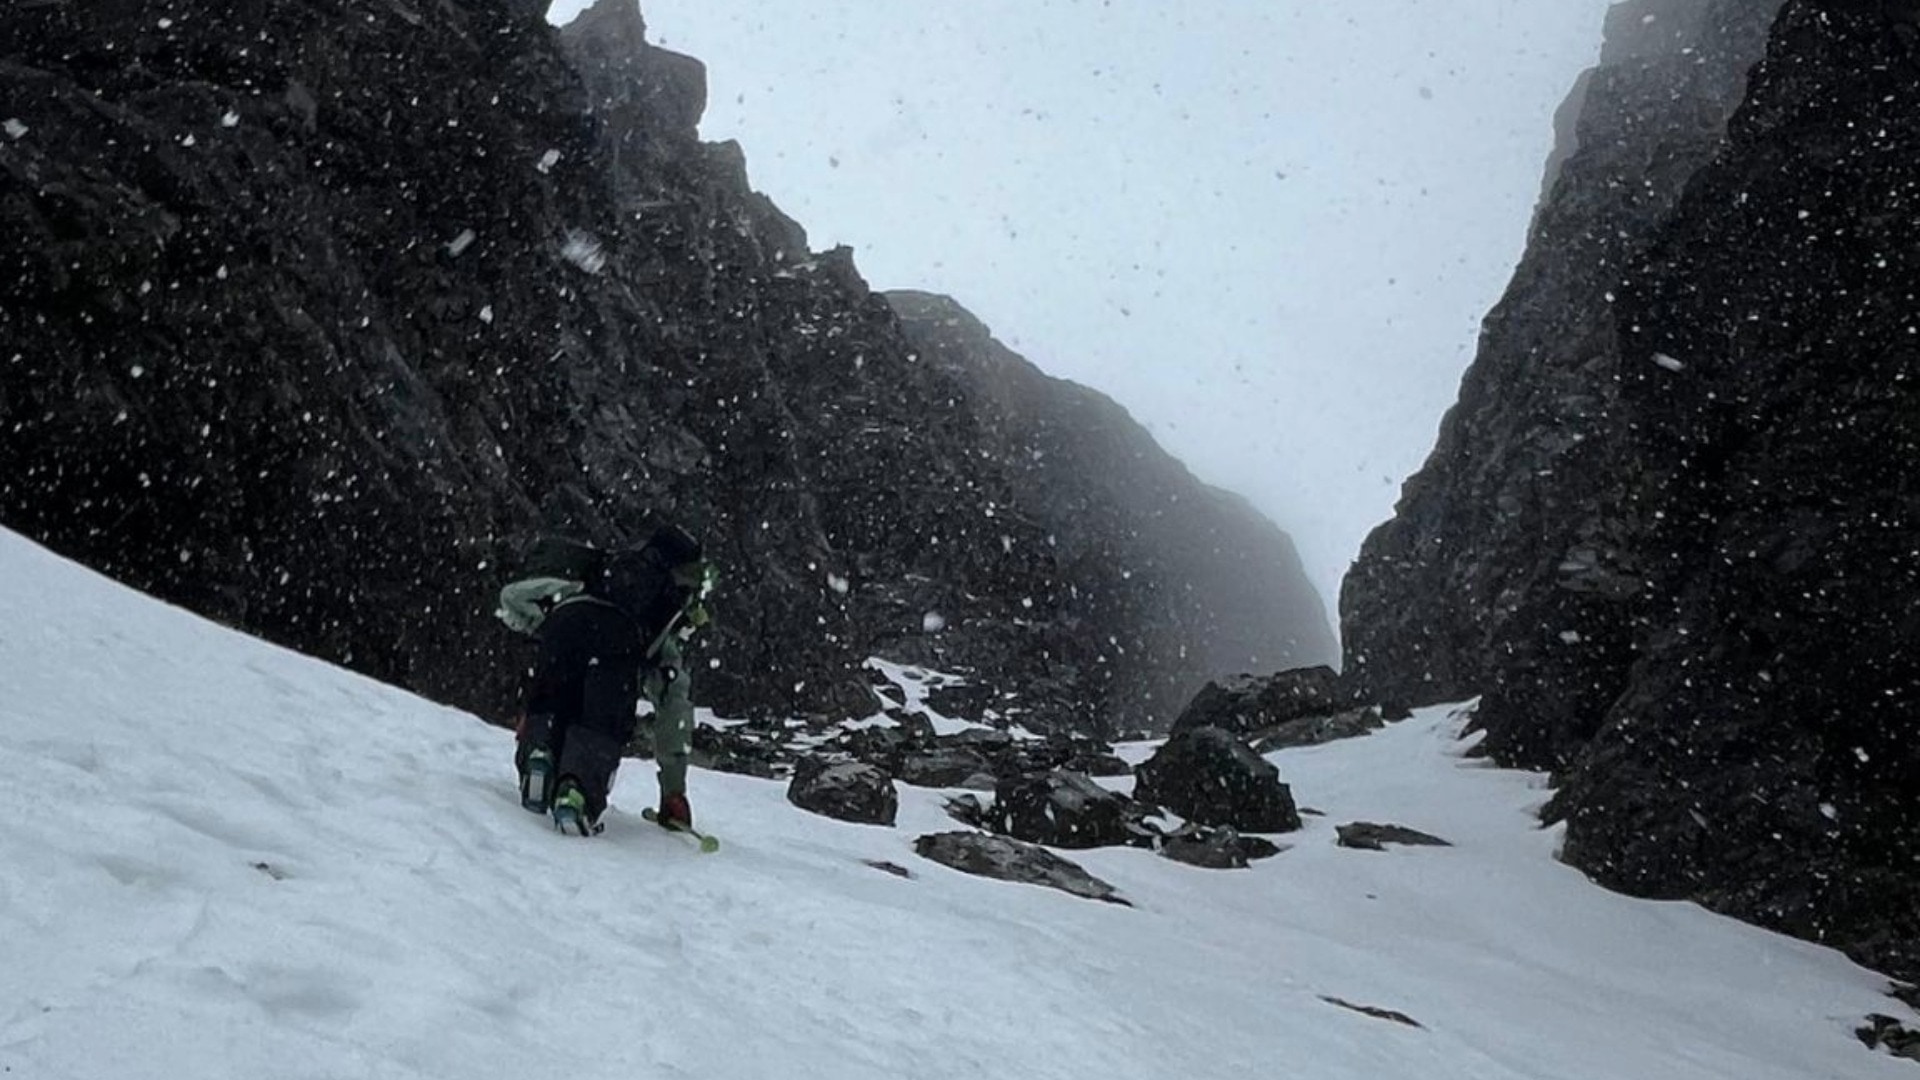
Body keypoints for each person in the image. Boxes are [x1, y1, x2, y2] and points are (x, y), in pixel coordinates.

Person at [500, 527, 713, 837]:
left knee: (552, 703)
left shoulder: (597, 577)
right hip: (620, 644)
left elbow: (512, 596)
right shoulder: (658, 621)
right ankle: (577, 793)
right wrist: (673, 791)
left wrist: (544, 627)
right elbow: (673, 707)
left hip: (564, 626)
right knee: (601, 726)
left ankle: (539, 751)